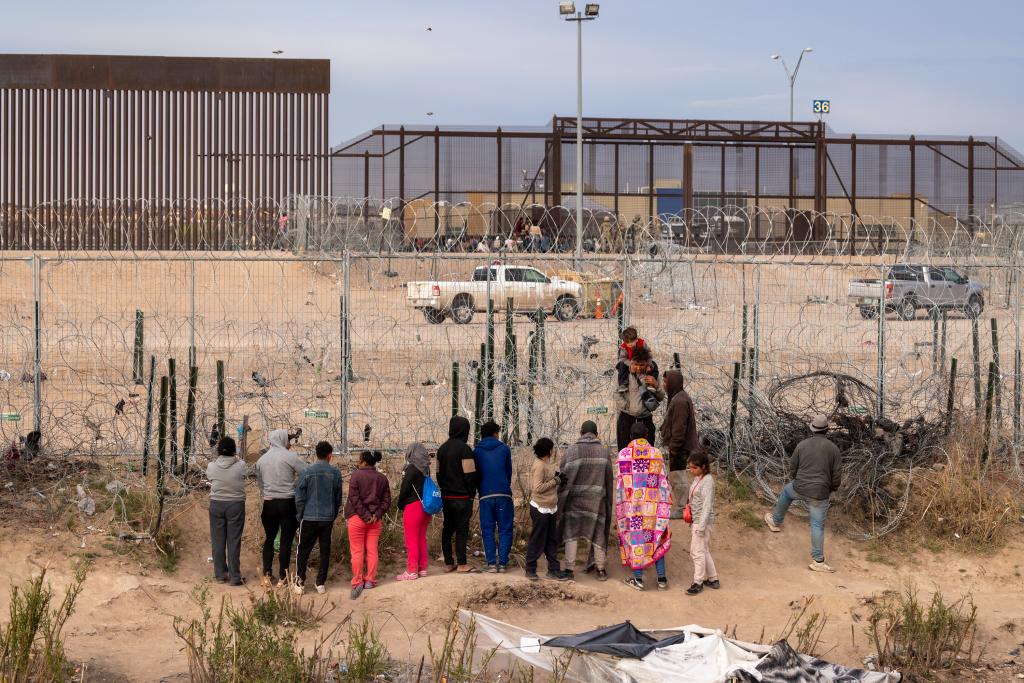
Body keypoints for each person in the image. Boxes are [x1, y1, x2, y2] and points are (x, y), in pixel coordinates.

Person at [764, 414, 842, 573]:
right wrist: (831, 488)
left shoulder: (802, 445)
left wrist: (797, 480)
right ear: (827, 430)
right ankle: (818, 561)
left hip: (800, 486)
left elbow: (793, 467)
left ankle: (775, 521)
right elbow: (837, 475)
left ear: (812, 429)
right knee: (816, 525)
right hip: (820, 492)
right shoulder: (833, 449)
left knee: (786, 492)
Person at [616, 423, 672, 591]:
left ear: (631, 436)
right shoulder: (656, 454)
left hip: (633, 509)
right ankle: (662, 579)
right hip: (655, 507)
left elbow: (621, 483)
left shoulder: (623, 454)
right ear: (647, 435)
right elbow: (664, 480)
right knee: (656, 538)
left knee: (637, 540)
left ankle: (638, 580)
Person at [558, 421, 614, 581]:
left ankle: (569, 570)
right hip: (597, 502)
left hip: (574, 501)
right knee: (598, 534)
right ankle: (601, 570)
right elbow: (609, 480)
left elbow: (562, 476)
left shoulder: (572, 450)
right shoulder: (604, 452)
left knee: (571, 533)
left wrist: (562, 497)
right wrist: (607, 500)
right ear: (596, 434)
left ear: (581, 433)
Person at [255, 429, 308, 587]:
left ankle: (266, 574)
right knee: (286, 540)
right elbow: (306, 472)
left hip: (269, 503)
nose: (289, 443)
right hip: (287, 503)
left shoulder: (262, 460)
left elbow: (260, 483)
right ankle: (283, 578)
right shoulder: (290, 456)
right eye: (288, 440)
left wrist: (268, 493)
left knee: (270, 538)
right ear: (283, 440)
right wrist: (295, 486)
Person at [293, 441, 342, 595]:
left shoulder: (307, 472)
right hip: (327, 518)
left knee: (303, 550)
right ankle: (320, 583)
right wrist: (332, 515)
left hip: (309, 517)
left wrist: (300, 515)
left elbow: (299, 497)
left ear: (316, 453)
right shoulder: (335, 473)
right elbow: (338, 497)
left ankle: (300, 583)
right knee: (325, 550)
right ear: (330, 455)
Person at [345, 450, 391, 599]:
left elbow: (353, 498)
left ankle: (357, 582)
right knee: (372, 550)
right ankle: (370, 580)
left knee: (357, 551)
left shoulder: (356, 475)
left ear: (364, 461)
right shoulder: (382, 478)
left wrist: (365, 516)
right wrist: (375, 515)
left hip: (357, 518)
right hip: (375, 521)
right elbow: (386, 501)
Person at [437, 415, 478, 573]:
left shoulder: (442, 449)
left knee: (447, 530)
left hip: (446, 496)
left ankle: (448, 563)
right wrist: (471, 494)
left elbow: (439, 474)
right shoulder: (464, 449)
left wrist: (445, 489)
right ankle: (462, 564)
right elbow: (470, 475)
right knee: (462, 529)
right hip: (462, 497)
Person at [524, 438, 566, 581]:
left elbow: (549, 479)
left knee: (551, 540)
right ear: (549, 450)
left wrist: (557, 478)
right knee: (537, 539)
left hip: (550, 507)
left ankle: (553, 569)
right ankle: (530, 568)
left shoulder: (546, 464)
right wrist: (555, 481)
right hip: (541, 508)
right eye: (552, 448)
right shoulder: (539, 465)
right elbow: (537, 488)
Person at [474, 420, 514, 573]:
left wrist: (480, 488)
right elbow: (508, 472)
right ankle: (503, 563)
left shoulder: (476, 451)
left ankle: (491, 563)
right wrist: (504, 485)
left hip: (485, 495)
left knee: (487, 529)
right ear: (495, 434)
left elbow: (476, 474)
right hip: (503, 493)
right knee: (505, 528)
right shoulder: (504, 449)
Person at [207, 437, 246, 586]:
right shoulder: (241, 464)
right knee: (233, 541)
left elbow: (210, 477)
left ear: (218, 451)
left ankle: (220, 574)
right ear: (234, 451)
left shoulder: (212, 466)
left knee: (218, 541)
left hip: (216, 504)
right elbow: (243, 472)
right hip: (235, 505)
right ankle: (235, 577)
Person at [661, 370, 699, 519]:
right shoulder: (678, 397)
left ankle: (683, 508)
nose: (664, 385)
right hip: (680, 445)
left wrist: (674, 448)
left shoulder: (679, 401)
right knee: (678, 476)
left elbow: (679, 428)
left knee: (678, 477)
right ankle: (686, 504)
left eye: (666, 382)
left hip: (680, 446)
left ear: (673, 383)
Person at [613, 346, 665, 451]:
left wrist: (656, 385)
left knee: (646, 454)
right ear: (630, 362)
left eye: (642, 365)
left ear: (647, 363)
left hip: (645, 420)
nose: (638, 368)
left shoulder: (653, 375)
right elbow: (616, 393)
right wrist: (628, 407)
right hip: (627, 420)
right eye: (635, 364)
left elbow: (660, 397)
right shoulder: (623, 375)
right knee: (626, 453)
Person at [684, 450, 719, 595]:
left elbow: (707, 506)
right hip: (697, 519)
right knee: (703, 550)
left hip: (701, 521)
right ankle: (713, 579)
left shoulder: (707, 482)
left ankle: (698, 583)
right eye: (690, 467)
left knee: (696, 552)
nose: (691, 470)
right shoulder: (699, 478)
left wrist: (701, 527)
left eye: (694, 468)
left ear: (703, 467)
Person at [395, 442, 432, 581]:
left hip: (413, 507)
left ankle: (412, 571)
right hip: (425, 507)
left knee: (411, 540)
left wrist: (400, 504)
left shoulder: (411, 468)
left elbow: (404, 489)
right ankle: (422, 568)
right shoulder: (425, 469)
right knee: (421, 538)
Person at [616, 327, 653, 392]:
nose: (630, 344)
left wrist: (648, 364)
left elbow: (649, 354)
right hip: (629, 362)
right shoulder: (624, 347)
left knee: (653, 366)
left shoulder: (642, 344)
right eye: (627, 343)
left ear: (636, 339)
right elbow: (622, 358)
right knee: (621, 365)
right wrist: (630, 364)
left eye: (632, 342)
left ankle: (650, 383)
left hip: (642, 362)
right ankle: (623, 384)